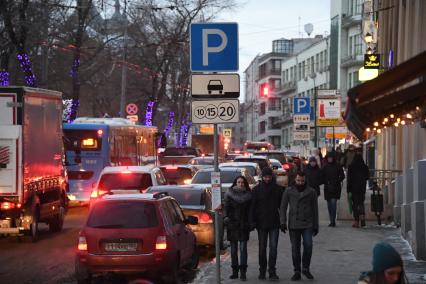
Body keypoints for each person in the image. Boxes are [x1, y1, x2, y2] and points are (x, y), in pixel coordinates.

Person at [280, 172, 319, 281]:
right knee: (295, 249)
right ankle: (297, 270)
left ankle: (305, 268)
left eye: (302, 181)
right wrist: (282, 222)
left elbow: (315, 210)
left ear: (305, 180)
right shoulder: (288, 191)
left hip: (308, 223)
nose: (300, 183)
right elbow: (283, 207)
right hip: (294, 223)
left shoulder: (311, 192)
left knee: (308, 246)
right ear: (295, 180)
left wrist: (316, 225)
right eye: (298, 180)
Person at [249, 167, 284, 281]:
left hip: (274, 222)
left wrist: (283, 221)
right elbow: (252, 207)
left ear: (272, 177)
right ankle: (262, 270)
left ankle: (272, 271)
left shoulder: (278, 189)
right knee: (262, 248)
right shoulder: (256, 190)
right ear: (262, 177)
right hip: (261, 223)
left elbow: (282, 207)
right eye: (265, 177)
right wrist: (252, 221)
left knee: (273, 247)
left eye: (269, 176)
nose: (267, 179)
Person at [224, 176, 252, 281]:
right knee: (234, 250)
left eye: (242, 182)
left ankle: (243, 272)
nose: (240, 184)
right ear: (235, 183)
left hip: (244, 225)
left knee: (243, 249)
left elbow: (250, 210)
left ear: (245, 184)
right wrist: (226, 217)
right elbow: (226, 207)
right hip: (232, 224)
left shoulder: (249, 195)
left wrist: (251, 222)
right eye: (238, 182)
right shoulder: (229, 194)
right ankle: (235, 271)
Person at [322, 152, 345, 227]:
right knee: (329, 205)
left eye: (331, 158)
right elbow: (322, 176)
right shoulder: (325, 167)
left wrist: (337, 180)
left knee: (333, 204)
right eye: (328, 158)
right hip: (328, 187)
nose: (329, 159)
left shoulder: (338, 166)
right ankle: (331, 220)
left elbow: (342, 176)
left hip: (335, 187)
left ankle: (333, 221)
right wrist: (326, 181)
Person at [347, 153, 370, 227]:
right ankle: (362, 218)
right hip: (362, 188)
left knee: (355, 205)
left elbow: (349, 179)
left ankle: (356, 221)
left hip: (354, 189)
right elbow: (367, 177)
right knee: (361, 203)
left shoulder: (351, 167)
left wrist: (348, 190)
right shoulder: (365, 167)